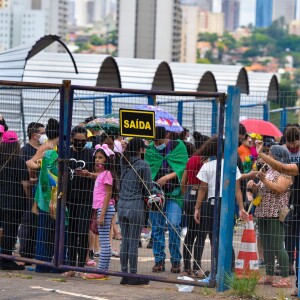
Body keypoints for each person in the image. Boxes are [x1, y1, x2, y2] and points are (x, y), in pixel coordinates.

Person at [194, 137, 248, 273]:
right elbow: (237, 189)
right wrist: (241, 208)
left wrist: (197, 208)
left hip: (211, 205)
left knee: (214, 239)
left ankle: (216, 270)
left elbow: (202, 189)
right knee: (227, 238)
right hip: (228, 205)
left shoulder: (207, 166)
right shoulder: (232, 166)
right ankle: (229, 270)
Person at [248, 144, 293, 288]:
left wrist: (264, 180)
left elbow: (279, 189)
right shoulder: (267, 170)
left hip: (275, 213)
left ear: (277, 157)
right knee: (266, 246)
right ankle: (269, 275)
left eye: (271, 154)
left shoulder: (285, 171)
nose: (269, 157)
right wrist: (254, 186)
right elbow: (262, 191)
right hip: (262, 211)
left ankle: (285, 278)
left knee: (277, 246)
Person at [145, 126, 188, 273]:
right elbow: (147, 169)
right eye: (154, 141)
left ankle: (176, 261)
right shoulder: (149, 149)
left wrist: (168, 177)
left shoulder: (178, 146)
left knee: (174, 225)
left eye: (159, 141)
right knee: (156, 228)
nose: (157, 144)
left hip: (174, 194)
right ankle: (159, 261)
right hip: (156, 195)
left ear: (167, 135)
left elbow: (184, 167)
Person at [62, 126, 96, 278]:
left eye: (83, 141)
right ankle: (70, 265)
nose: (80, 143)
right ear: (72, 139)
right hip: (68, 198)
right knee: (71, 232)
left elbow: (102, 173)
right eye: (77, 141)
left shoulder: (91, 154)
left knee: (82, 232)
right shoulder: (66, 153)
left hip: (86, 198)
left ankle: (81, 265)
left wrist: (89, 174)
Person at [118, 138, 152, 285]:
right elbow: (148, 189)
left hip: (121, 204)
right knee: (133, 241)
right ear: (140, 150)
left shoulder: (122, 161)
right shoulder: (144, 165)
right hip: (135, 204)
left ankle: (124, 272)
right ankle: (133, 274)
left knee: (125, 240)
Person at [0, 131, 29, 270]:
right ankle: (6, 260)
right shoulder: (19, 161)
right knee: (10, 232)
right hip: (14, 202)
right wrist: (29, 198)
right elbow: (25, 184)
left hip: (1, 199)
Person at [88, 143, 117, 279]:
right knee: (104, 241)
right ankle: (103, 270)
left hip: (103, 209)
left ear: (107, 159)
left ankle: (101, 271)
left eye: (100, 158)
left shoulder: (107, 174)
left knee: (104, 242)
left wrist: (102, 214)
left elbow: (108, 194)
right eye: (96, 158)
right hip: (102, 208)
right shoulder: (103, 173)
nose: (97, 160)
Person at [19, 122, 45, 259]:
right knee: (28, 222)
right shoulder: (25, 151)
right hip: (29, 192)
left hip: (42, 193)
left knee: (38, 223)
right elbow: (24, 176)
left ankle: (35, 252)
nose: (45, 135)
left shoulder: (44, 149)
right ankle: (25, 253)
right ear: (35, 135)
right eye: (42, 132)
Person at [180, 138, 206, 277]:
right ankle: (197, 266)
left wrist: (186, 195)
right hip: (201, 197)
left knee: (190, 233)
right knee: (200, 234)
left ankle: (186, 267)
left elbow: (183, 181)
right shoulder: (205, 162)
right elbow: (204, 185)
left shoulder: (191, 160)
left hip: (189, 196)